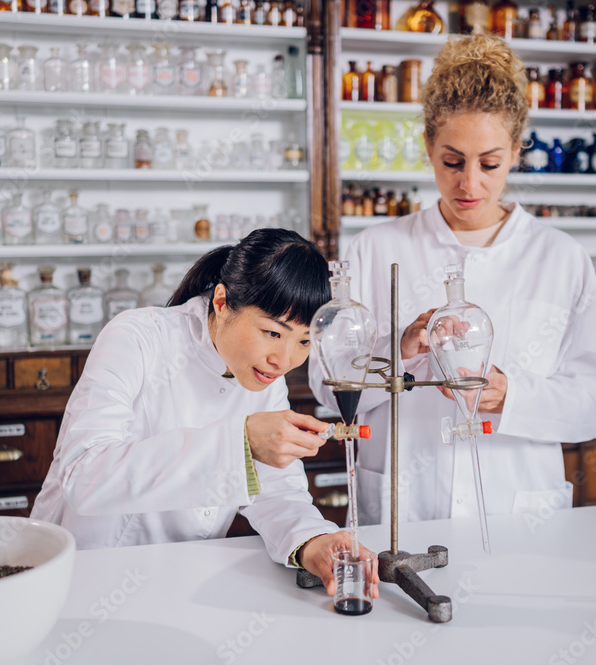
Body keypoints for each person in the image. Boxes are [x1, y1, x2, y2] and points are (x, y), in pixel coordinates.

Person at [310, 35, 596, 527]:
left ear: (516, 152)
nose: (469, 183)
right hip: (400, 513)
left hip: (517, 515)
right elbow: (327, 388)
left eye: (490, 163)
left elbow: (589, 409)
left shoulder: (562, 258)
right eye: (452, 161)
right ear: (428, 147)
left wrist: (509, 395)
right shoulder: (374, 249)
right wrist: (398, 353)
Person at [32, 228, 378, 596]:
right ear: (221, 302)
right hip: (90, 571)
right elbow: (84, 477)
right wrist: (241, 443)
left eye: (304, 341)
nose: (284, 360)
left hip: (186, 576)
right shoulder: (136, 338)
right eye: (272, 333)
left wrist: (313, 540)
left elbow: (278, 489)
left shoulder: (265, 375)